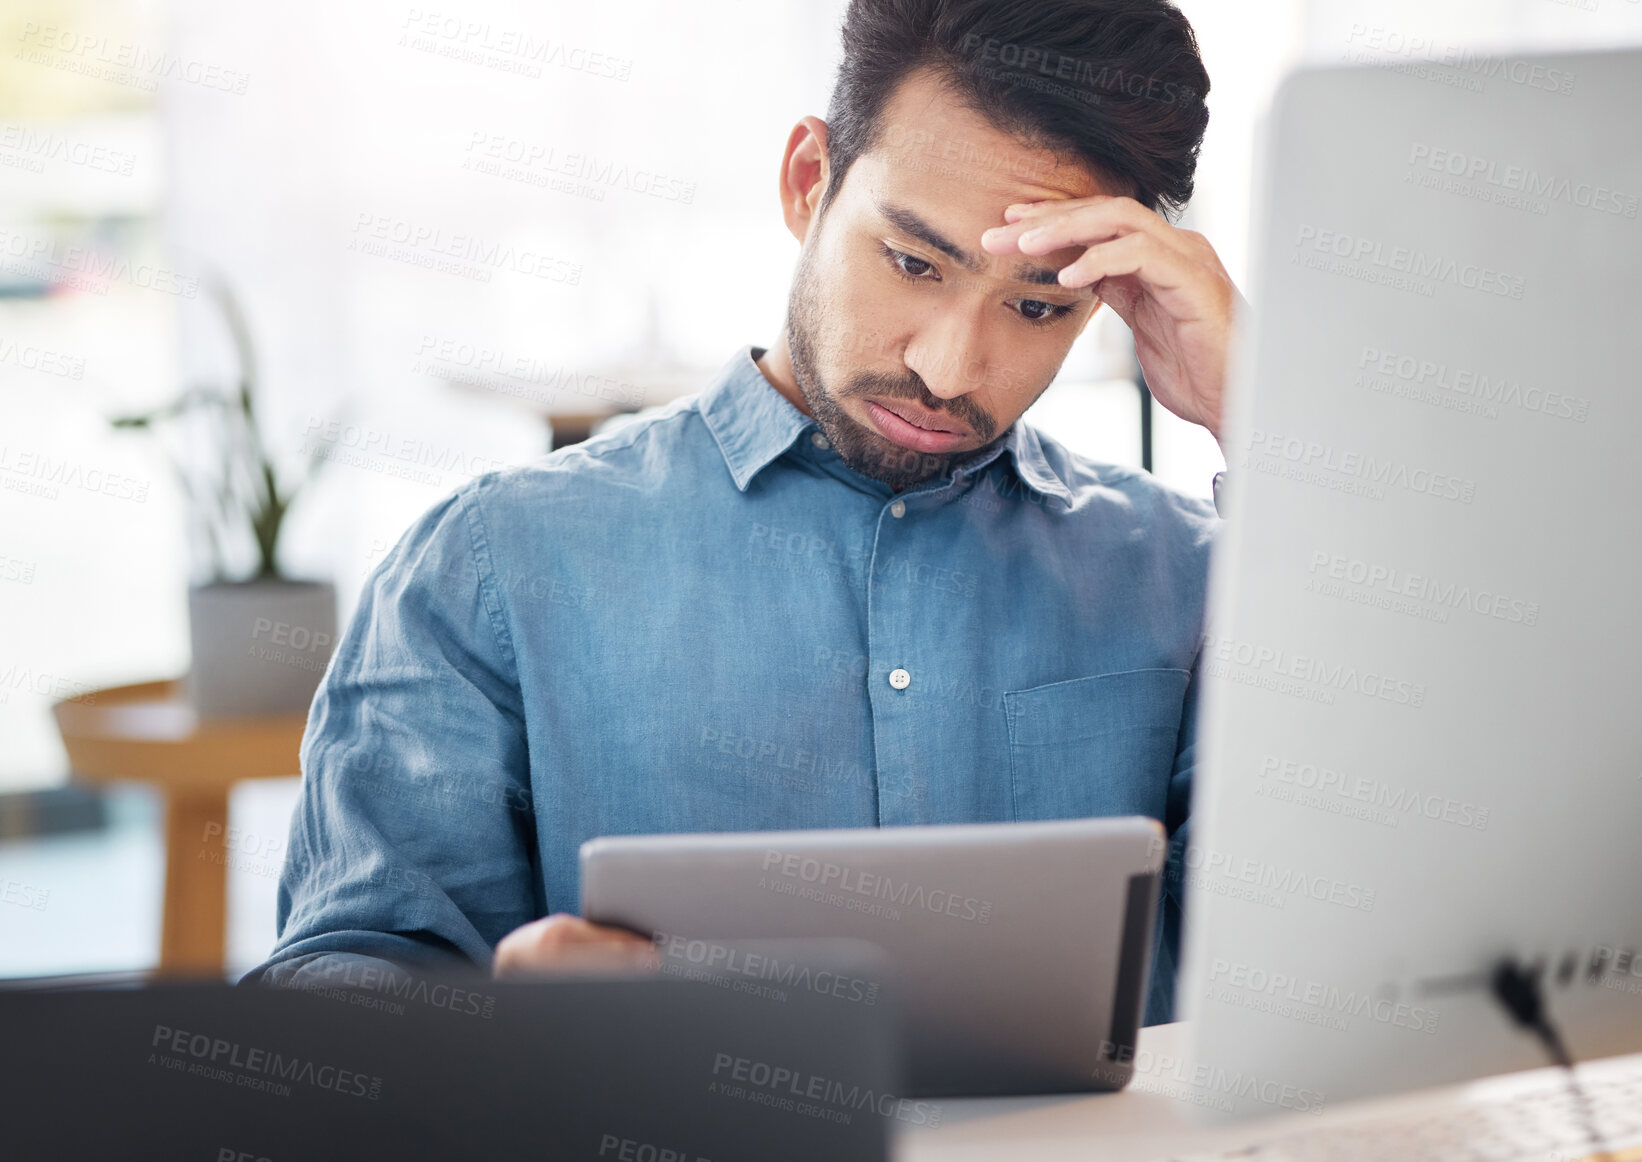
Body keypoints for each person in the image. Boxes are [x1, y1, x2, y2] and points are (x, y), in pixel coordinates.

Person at [245, 0, 1238, 1028]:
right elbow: (328, 1004)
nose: (948, 367)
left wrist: (1257, 412)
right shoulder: (493, 562)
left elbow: (1338, 946)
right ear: (809, 183)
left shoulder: (1200, 576)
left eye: (1037, 306)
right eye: (911, 261)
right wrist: (492, 1030)